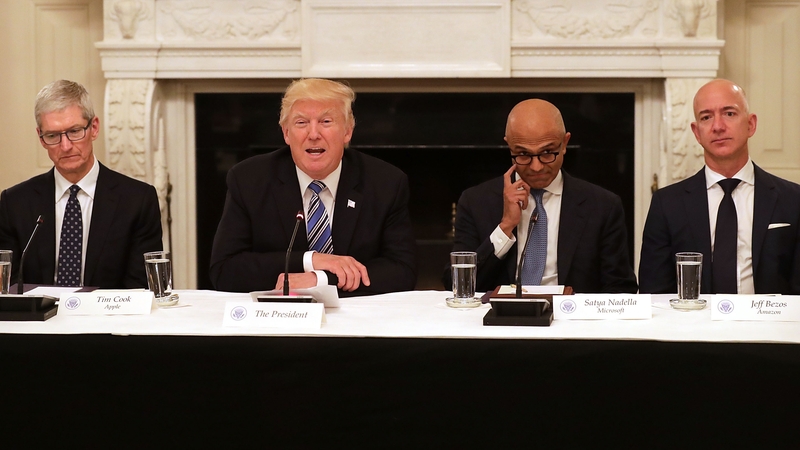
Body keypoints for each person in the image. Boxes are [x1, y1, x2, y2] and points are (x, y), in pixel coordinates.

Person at [209, 78, 416, 296]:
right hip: (278, 319)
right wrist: (311, 260)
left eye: (326, 121)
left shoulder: (385, 182)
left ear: (347, 131)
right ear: (286, 133)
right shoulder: (248, 180)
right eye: (301, 123)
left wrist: (320, 279)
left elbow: (402, 270)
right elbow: (224, 270)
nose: (314, 134)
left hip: (355, 318)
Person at [444, 99, 638, 293]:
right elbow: (457, 285)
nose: (536, 167)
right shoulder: (476, 201)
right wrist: (505, 227)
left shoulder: (603, 206)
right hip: (502, 319)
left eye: (547, 152)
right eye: (523, 154)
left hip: (572, 317)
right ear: (509, 146)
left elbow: (621, 288)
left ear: (564, 144)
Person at [639, 79, 800, 294]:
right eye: (706, 117)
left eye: (729, 114)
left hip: (771, 324)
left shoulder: (793, 199)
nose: (718, 126)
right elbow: (654, 292)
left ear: (751, 124)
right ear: (697, 133)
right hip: (692, 325)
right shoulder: (666, 204)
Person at [0, 80, 163, 289]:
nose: (66, 146)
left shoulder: (137, 200)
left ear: (94, 128)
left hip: (109, 319)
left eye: (75, 131)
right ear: (41, 139)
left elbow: (140, 288)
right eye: (53, 136)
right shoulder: (14, 204)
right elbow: (9, 288)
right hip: (41, 320)